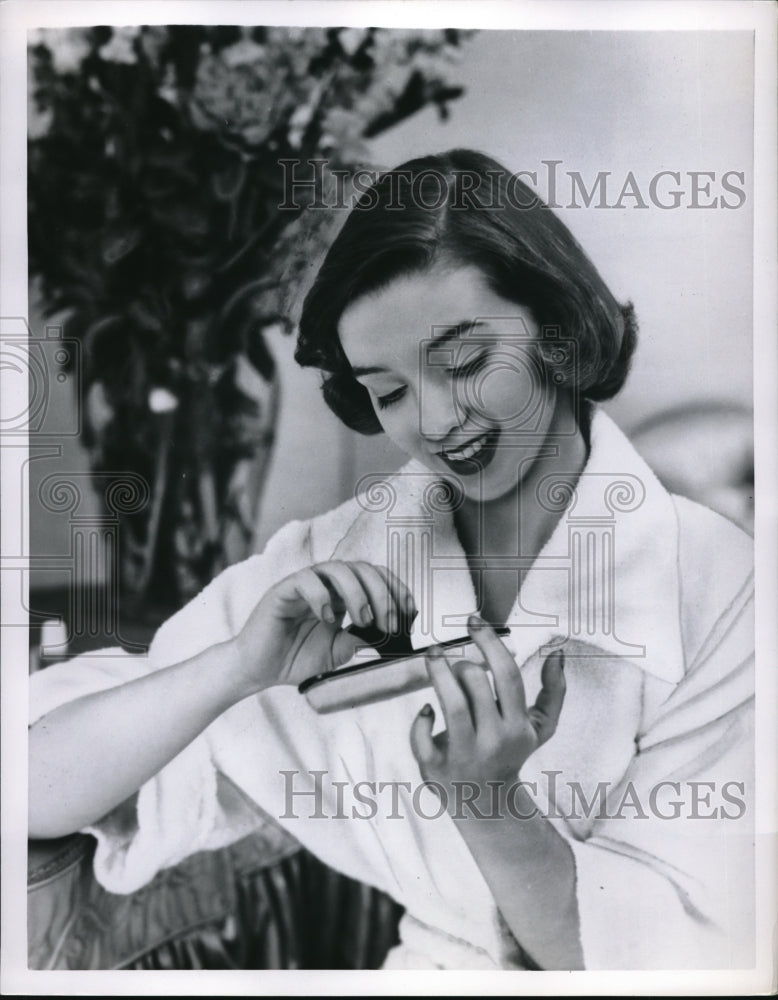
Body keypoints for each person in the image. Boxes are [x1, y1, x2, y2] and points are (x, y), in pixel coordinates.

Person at [28, 149, 754, 971]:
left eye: (466, 363)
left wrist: (487, 804)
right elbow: (32, 782)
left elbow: (688, 962)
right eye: (390, 392)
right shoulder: (338, 559)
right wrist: (233, 668)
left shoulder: (724, 592)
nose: (439, 421)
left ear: (556, 328)